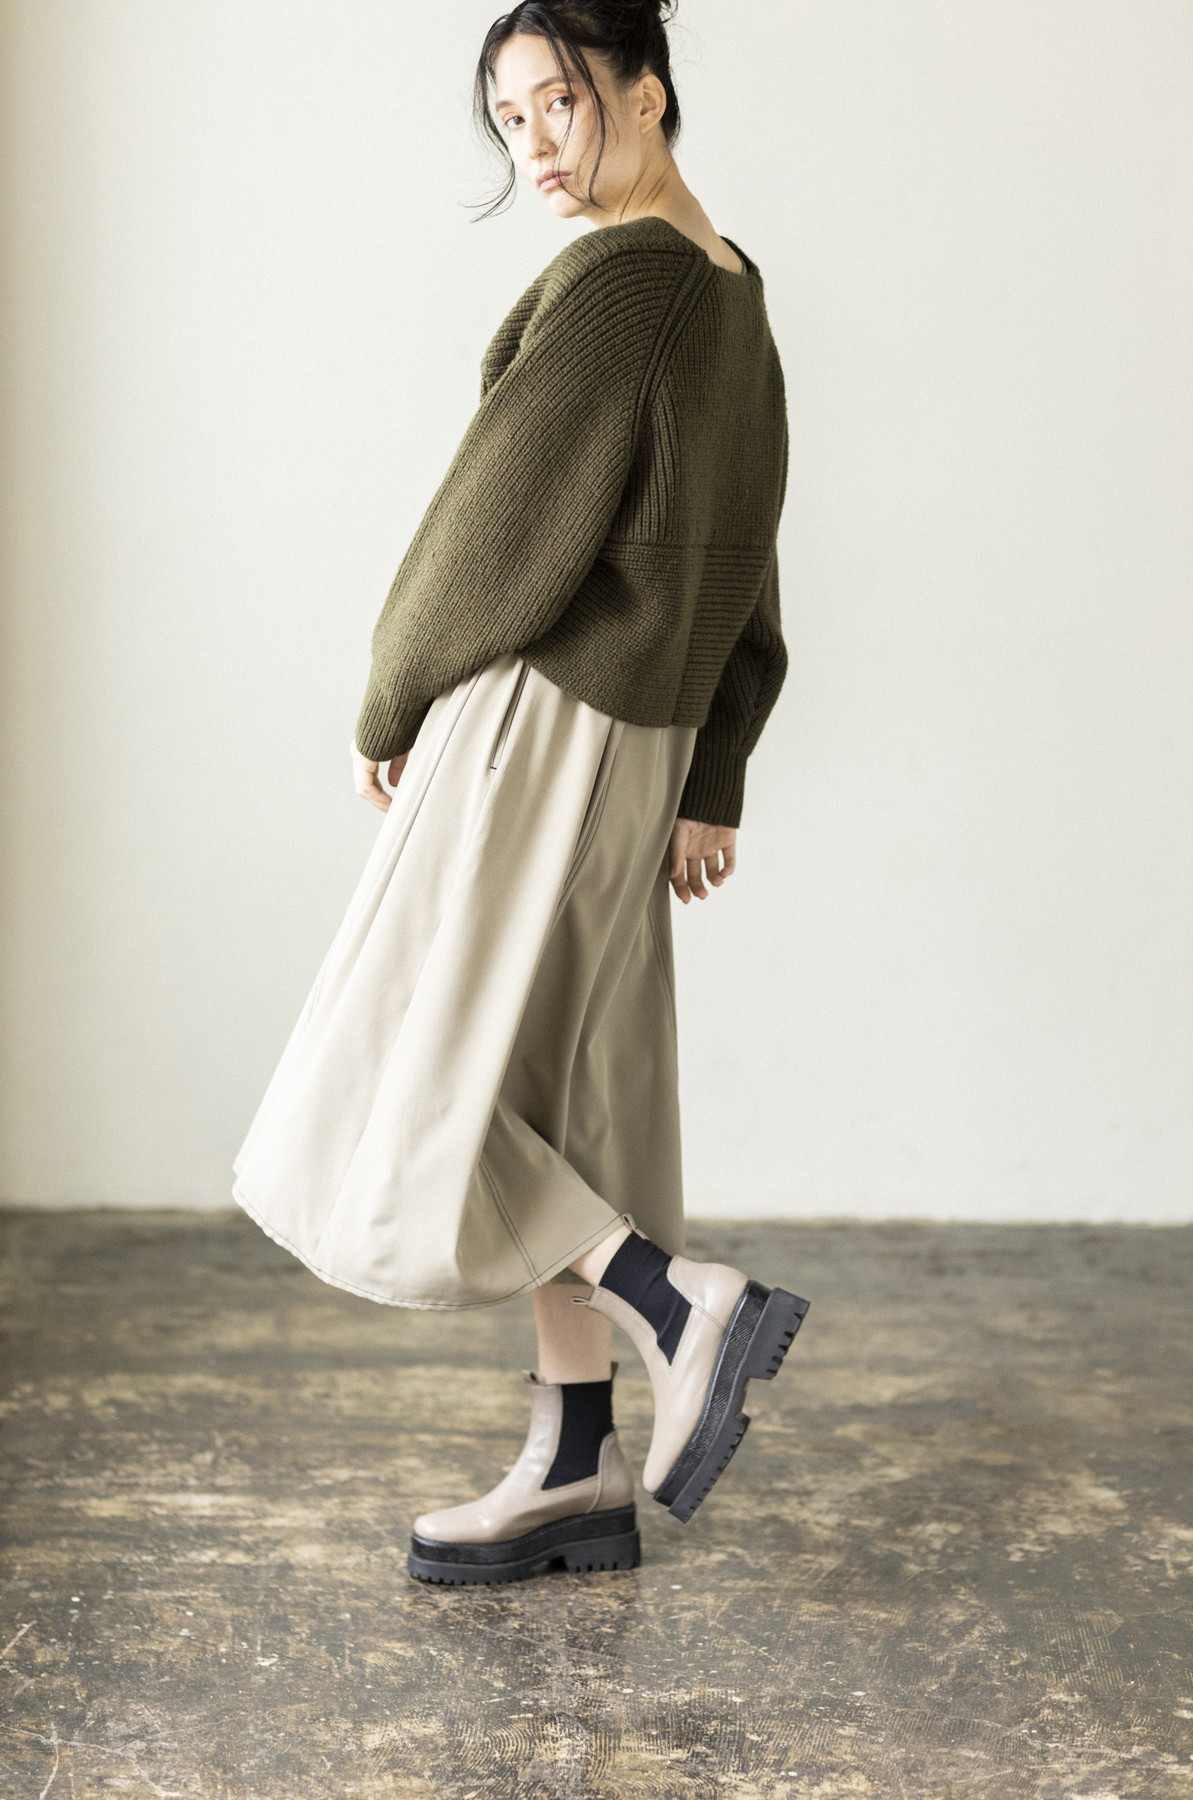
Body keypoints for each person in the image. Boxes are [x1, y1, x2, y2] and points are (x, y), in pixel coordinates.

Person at [232, 0, 809, 1586]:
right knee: (557, 1092)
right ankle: (573, 1462)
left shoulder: (623, 285)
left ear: (647, 88)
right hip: (639, 748)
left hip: (535, 721)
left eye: (561, 102)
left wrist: (391, 689)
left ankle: (677, 1302)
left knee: (405, 1068)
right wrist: (712, 765)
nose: (536, 146)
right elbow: (748, 565)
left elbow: (492, 520)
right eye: (509, 119)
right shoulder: (733, 290)